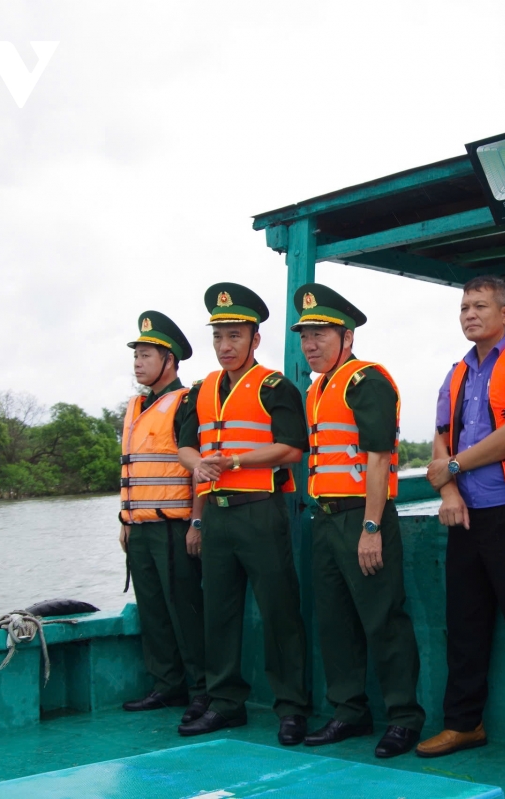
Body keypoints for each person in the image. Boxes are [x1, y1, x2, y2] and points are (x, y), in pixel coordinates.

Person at [420, 275, 505, 772]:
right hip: (466, 517)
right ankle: (464, 723)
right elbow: (440, 439)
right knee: (464, 626)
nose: (470, 315)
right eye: (464, 308)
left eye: (480, 306)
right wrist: (450, 490)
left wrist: (453, 468)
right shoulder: (455, 372)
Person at [291, 282, 425, 759]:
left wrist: (371, 528)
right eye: (305, 335)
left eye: (320, 334)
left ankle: (404, 717)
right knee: (335, 621)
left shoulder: (366, 381)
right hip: (325, 519)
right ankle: (348, 711)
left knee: (383, 618)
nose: (310, 344)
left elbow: (377, 457)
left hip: (361, 518)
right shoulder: (316, 388)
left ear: (346, 337)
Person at [175, 283, 311, 745]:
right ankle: (225, 703)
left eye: (234, 336)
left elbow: (292, 448)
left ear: (255, 339)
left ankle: (291, 708)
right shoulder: (201, 389)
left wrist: (233, 461)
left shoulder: (276, 386)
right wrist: (198, 464)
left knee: (279, 612)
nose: (225, 347)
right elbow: (185, 444)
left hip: (260, 511)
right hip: (216, 514)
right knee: (219, 612)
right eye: (218, 337)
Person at [118, 311, 208, 726]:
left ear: (169, 360)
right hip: (139, 525)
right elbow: (130, 465)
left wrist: (196, 521)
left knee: (183, 610)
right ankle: (166, 685)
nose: (138, 362)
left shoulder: (187, 402)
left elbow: (196, 466)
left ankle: (200, 690)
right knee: (152, 609)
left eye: (146, 354)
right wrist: (124, 518)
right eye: (136, 354)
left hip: (173, 524)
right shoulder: (135, 405)